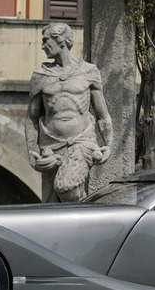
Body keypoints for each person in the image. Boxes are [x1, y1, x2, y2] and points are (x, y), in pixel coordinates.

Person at [26, 23, 113, 202]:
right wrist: (32, 151)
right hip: (51, 146)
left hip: (81, 142)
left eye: (46, 41)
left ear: (61, 40)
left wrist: (108, 145)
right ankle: (80, 211)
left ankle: (82, 210)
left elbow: (102, 115)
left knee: (66, 188)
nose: (42, 46)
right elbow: (32, 118)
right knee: (50, 201)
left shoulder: (88, 71)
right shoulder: (40, 75)